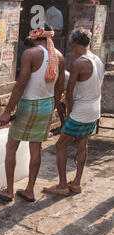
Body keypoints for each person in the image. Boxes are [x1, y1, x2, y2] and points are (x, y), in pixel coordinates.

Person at [0, 25, 65, 203]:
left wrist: (7, 111)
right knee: (35, 148)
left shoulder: (30, 54)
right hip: (47, 104)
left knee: (11, 146)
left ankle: (9, 191)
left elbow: (20, 84)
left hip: (28, 104)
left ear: (36, 36)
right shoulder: (59, 56)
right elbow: (59, 87)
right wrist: (52, 108)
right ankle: (29, 191)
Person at [43, 28, 104, 196]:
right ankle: (76, 182)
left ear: (74, 44)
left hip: (81, 112)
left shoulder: (79, 63)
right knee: (82, 145)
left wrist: (68, 114)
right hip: (94, 110)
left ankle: (62, 185)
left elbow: (69, 93)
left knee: (60, 145)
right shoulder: (97, 60)